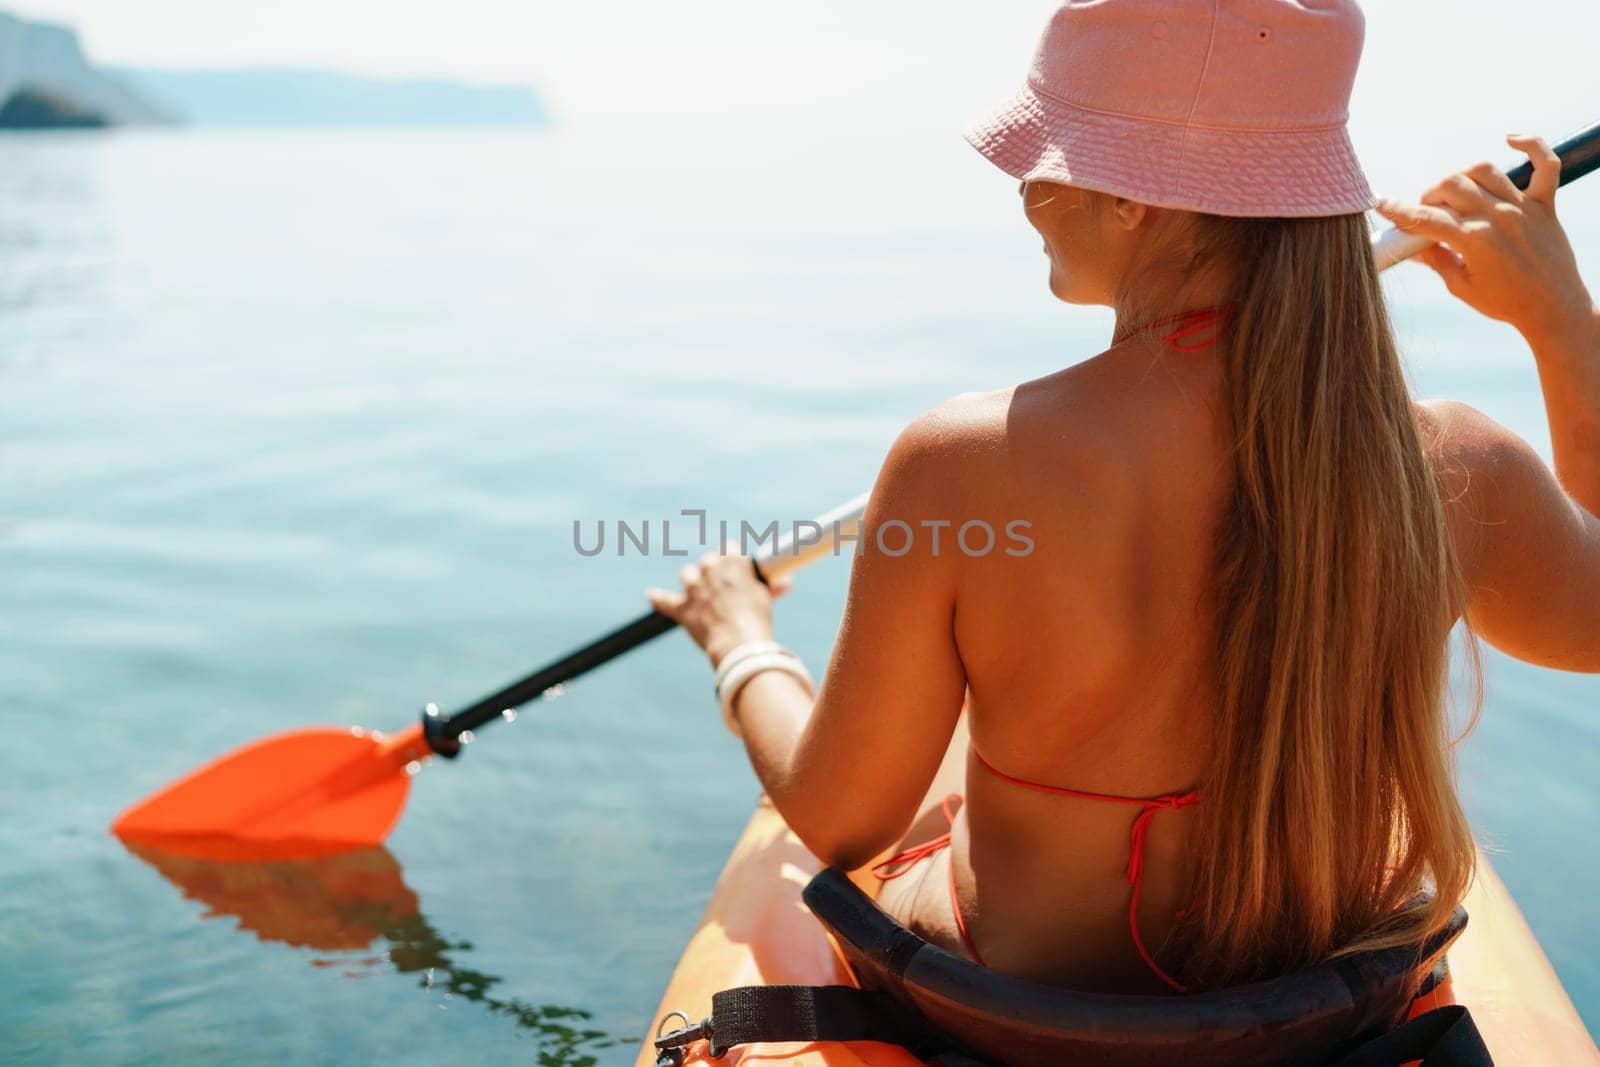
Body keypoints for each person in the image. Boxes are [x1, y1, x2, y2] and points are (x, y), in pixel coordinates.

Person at [646, 0, 1600, 995]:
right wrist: (1560, 325)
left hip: (1018, 1013)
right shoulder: (1456, 466)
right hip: (1312, 1013)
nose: (1023, 185)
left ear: (1133, 198)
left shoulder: (958, 463)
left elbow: (842, 817)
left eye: (1045, 157)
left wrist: (738, 638)